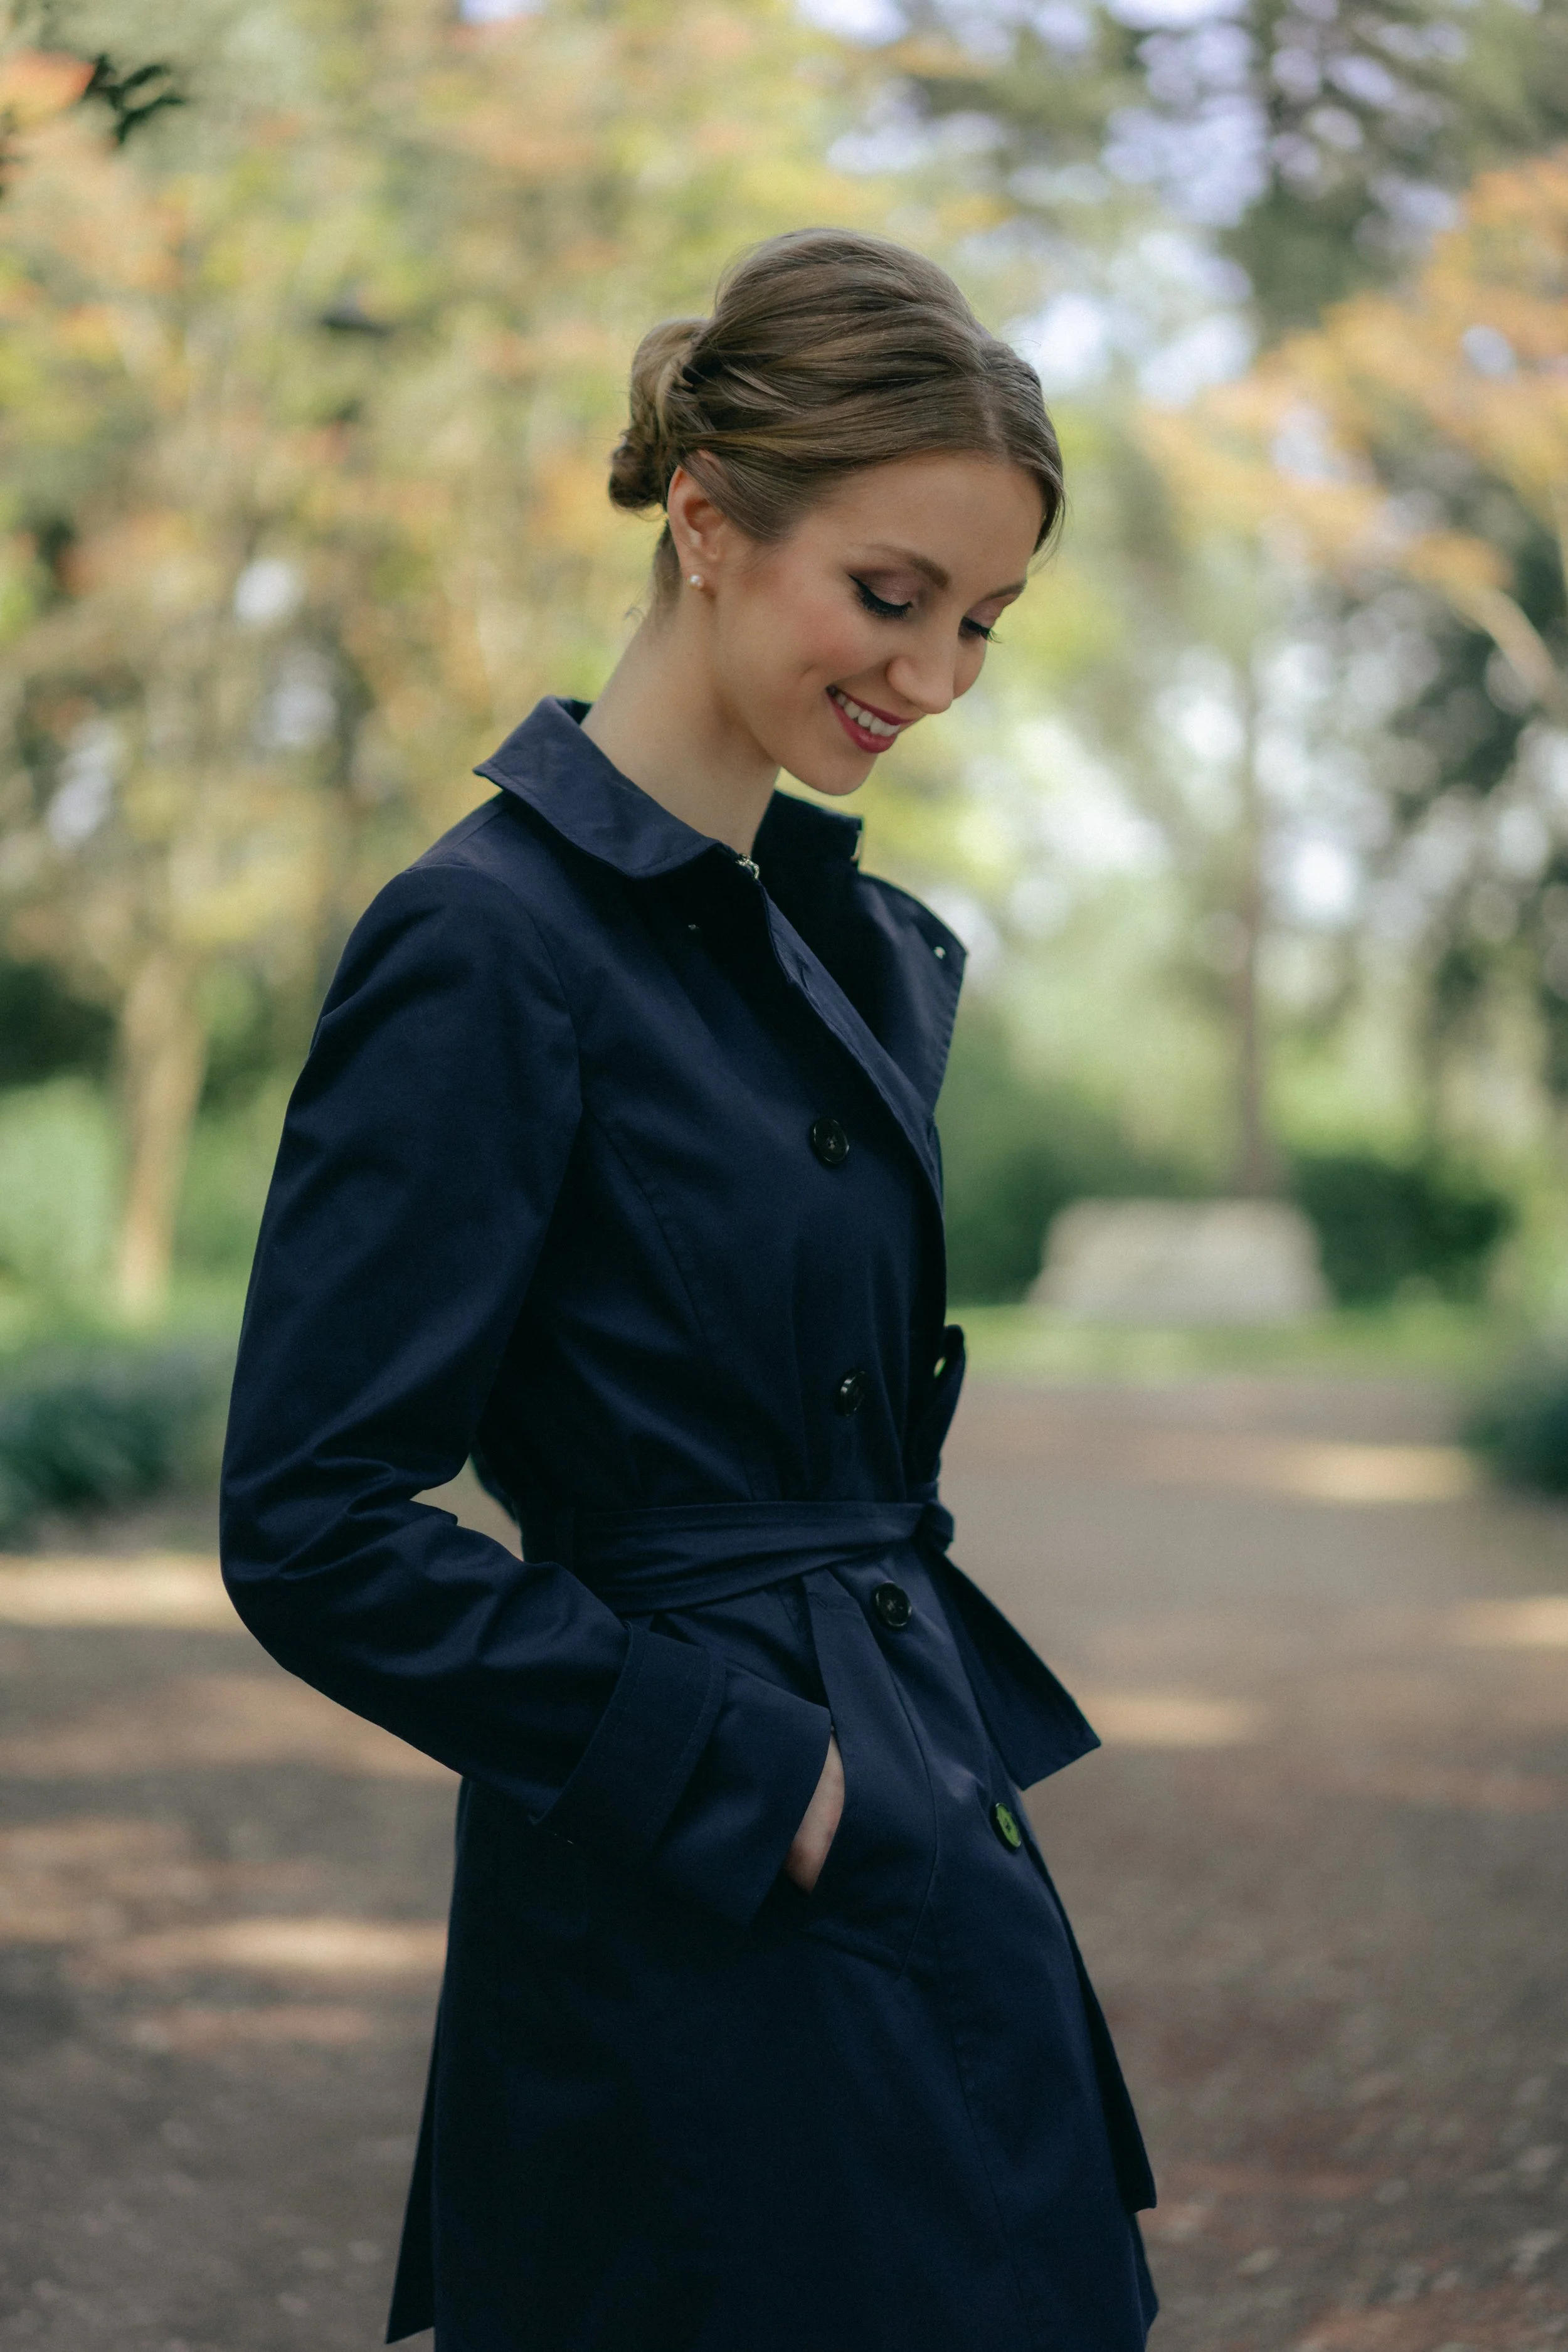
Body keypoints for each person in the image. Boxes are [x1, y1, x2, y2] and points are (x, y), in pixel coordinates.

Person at [220, 226, 1158, 2352]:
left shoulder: (835, 944)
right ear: (711, 524)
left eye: (982, 623)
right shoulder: (484, 940)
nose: (932, 678)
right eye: (890, 598)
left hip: (920, 1801)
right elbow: (312, 1521)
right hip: (698, 1871)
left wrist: (883, 1786)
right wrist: (768, 1782)